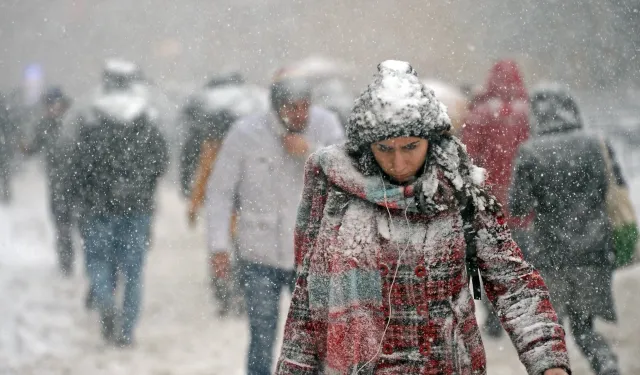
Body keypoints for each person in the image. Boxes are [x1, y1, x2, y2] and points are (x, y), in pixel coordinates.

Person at [275, 61, 570, 375]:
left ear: (431, 141)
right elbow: (310, 306)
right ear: (366, 146)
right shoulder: (342, 199)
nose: (398, 162)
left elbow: (515, 285)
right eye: (385, 149)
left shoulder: (460, 196)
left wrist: (549, 361)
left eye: (410, 147)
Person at [205, 73, 344, 375]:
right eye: (291, 107)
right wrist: (218, 247)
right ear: (276, 107)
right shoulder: (245, 133)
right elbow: (220, 192)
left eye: (304, 106)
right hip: (258, 254)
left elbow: (348, 175)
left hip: (311, 255)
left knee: (315, 339)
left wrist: (310, 151)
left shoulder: (326, 125)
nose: (299, 114)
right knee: (261, 335)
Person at [509, 84, 622, 375]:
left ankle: (550, 369)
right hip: (594, 250)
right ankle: (605, 364)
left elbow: (519, 206)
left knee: (548, 328)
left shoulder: (531, 152)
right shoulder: (595, 142)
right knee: (585, 326)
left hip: (552, 253)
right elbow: (613, 186)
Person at [72, 91, 168, 347]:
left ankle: (104, 301)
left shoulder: (93, 126)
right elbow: (161, 163)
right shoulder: (145, 125)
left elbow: (78, 168)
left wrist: (85, 196)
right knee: (134, 272)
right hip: (137, 209)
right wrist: (142, 186)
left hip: (98, 208)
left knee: (98, 262)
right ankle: (126, 331)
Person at [462, 59, 531, 337]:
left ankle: (493, 315)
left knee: (491, 260)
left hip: (489, 201)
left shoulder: (479, 112)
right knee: (520, 260)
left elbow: (466, 155)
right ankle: (521, 313)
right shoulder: (529, 113)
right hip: (522, 203)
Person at [22, 87, 75, 275]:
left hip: (79, 181)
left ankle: (90, 261)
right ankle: (66, 260)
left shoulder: (75, 121)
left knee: (80, 222)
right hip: (57, 181)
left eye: (52, 104)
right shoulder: (44, 124)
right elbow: (33, 147)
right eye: (48, 105)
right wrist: (24, 147)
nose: (50, 109)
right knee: (61, 221)